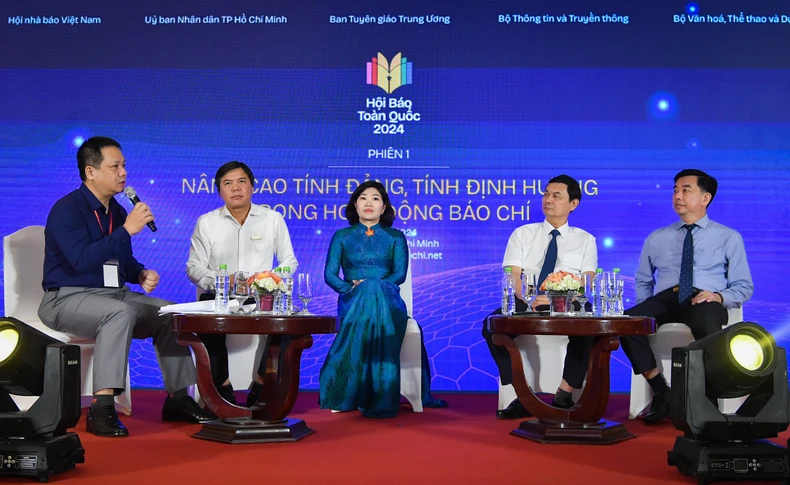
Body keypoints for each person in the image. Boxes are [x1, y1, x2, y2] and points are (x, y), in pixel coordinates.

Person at [38, 136, 212, 438]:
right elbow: (80, 260)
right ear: (91, 171)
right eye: (115, 166)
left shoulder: (116, 212)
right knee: (118, 313)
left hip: (113, 295)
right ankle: (102, 406)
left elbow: (121, 259)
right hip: (65, 298)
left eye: (124, 166)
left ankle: (178, 398)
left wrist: (140, 273)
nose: (123, 173)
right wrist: (127, 229)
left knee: (169, 313)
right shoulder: (67, 209)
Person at [617, 169, 753, 424]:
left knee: (706, 321)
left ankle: (708, 400)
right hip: (667, 299)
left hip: (705, 299)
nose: (677, 196)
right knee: (628, 322)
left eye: (685, 190)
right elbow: (644, 280)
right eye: (675, 190)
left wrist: (719, 296)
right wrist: (647, 306)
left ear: (705, 198)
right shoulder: (657, 237)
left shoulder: (728, 237)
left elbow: (743, 286)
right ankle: (663, 393)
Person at [319, 180, 446, 418]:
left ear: (384, 207)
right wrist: (350, 288)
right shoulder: (342, 236)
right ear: (354, 204)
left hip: (388, 302)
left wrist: (374, 285)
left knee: (373, 286)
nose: (369, 202)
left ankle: (351, 390)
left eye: (375, 198)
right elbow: (329, 275)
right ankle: (375, 394)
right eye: (363, 198)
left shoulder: (395, 237)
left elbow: (399, 274)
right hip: (353, 300)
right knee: (368, 290)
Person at [482, 174, 597, 420]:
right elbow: (513, 274)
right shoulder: (523, 234)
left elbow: (586, 281)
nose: (548, 200)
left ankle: (564, 394)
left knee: (589, 327)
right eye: (546, 194)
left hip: (568, 302)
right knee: (491, 326)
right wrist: (528, 298)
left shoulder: (586, 240)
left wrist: (558, 298)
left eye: (556, 196)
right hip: (527, 299)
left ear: (573, 204)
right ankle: (522, 395)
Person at [186, 161, 297, 406]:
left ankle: (262, 384)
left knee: (290, 322)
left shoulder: (272, 219)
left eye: (241, 181)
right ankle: (222, 389)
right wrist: (222, 282)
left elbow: (290, 262)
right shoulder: (207, 222)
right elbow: (193, 268)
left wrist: (267, 279)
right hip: (220, 296)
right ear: (219, 191)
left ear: (252, 187)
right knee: (205, 320)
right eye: (228, 183)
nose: (235, 188)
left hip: (262, 296)